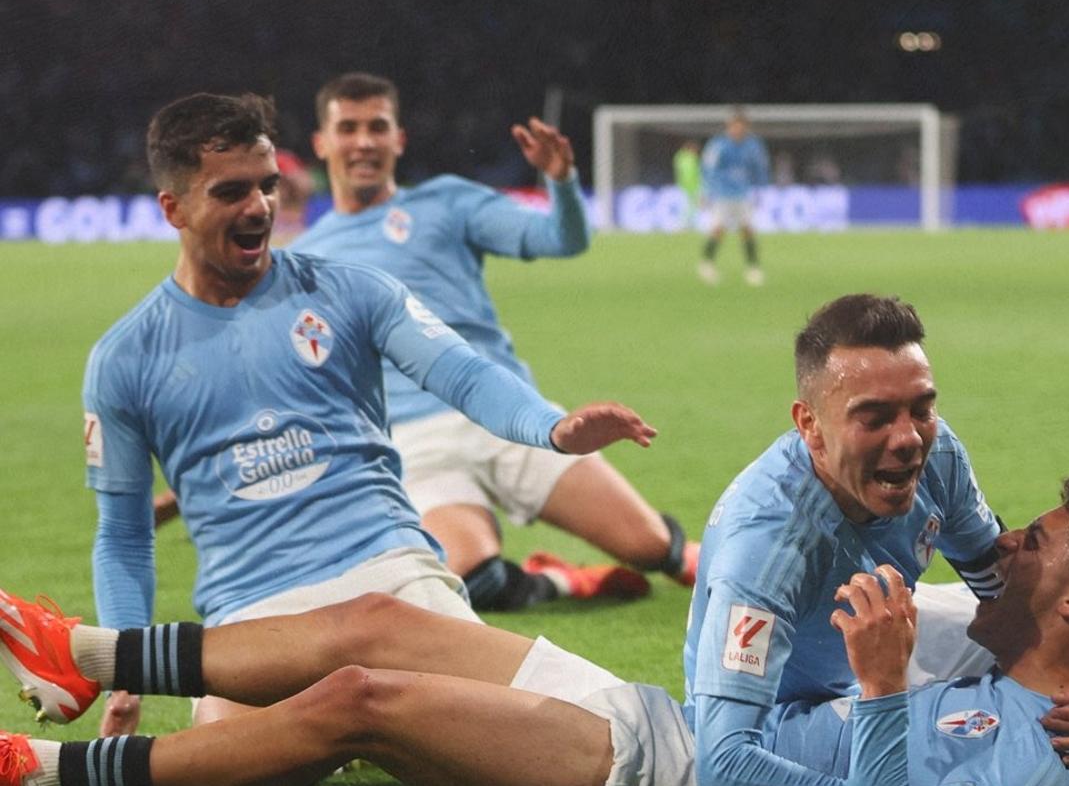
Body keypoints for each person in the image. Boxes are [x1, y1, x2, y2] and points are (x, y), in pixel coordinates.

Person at [0, 472, 1069, 786]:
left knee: (363, 702)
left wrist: (880, 693)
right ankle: (84, 654)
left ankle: (42, 780)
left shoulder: (1049, 752)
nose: (1008, 544)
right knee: (375, 620)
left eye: (1038, 541)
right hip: (654, 721)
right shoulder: (1041, 652)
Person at [83, 91, 656, 736]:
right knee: (234, 752)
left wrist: (550, 428)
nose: (260, 208)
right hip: (252, 608)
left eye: (268, 186)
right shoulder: (124, 359)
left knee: (525, 727)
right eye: (231, 192)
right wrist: (125, 675)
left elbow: (463, 372)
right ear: (173, 208)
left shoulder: (351, 289)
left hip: (386, 574)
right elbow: (124, 535)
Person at [682, 293, 1069, 786]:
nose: (908, 439)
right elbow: (721, 769)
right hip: (790, 715)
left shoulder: (937, 455)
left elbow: (1016, 601)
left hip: (881, 643)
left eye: (921, 408)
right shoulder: (768, 544)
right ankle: (1052, 781)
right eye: (874, 418)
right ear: (810, 424)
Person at [290, 72, 701, 610]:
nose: (363, 141)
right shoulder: (306, 260)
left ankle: (678, 555)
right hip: (414, 443)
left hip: (509, 413)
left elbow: (562, 238)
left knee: (650, 547)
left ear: (399, 138)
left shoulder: (448, 202)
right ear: (323, 142)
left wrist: (560, 182)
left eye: (377, 126)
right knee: (469, 578)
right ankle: (558, 580)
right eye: (348, 128)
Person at [697, 109, 770, 287]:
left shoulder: (753, 146)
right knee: (718, 229)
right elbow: (708, 169)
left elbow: (760, 168)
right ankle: (707, 263)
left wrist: (761, 190)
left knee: (747, 229)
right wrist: (705, 192)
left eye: (740, 126)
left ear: (745, 127)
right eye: (734, 126)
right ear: (728, 127)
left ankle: (752, 268)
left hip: (743, 194)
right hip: (723, 194)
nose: (736, 130)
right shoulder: (719, 145)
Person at [672, 140, 703, 228]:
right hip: (689, 187)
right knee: (688, 206)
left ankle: (688, 224)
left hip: (686, 186)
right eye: (695, 150)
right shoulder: (689, 159)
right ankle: (684, 224)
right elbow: (691, 174)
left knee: (691, 207)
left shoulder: (679, 157)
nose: (696, 152)